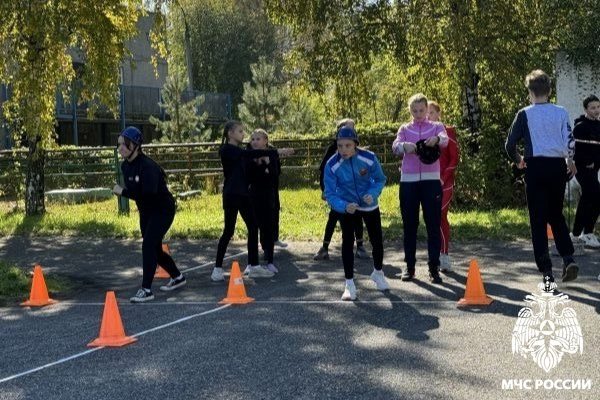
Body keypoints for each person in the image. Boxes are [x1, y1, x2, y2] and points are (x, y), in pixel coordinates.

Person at [505, 69, 579, 284]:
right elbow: (570, 140)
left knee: (538, 219)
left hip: (535, 166)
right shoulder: (561, 111)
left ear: (530, 92)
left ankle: (546, 270)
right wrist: (570, 161)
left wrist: (519, 158)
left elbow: (510, 144)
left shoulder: (525, 113)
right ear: (549, 90)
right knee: (556, 215)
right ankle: (568, 257)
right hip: (557, 166)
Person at [211, 121, 292, 282]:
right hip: (232, 195)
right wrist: (275, 152)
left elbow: (252, 165)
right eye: (240, 131)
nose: (243, 134)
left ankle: (254, 266)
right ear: (230, 134)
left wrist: (266, 163)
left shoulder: (239, 151)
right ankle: (217, 268)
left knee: (253, 226)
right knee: (229, 231)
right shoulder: (227, 150)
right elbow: (247, 155)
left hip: (242, 194)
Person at [112, 126, 186, 303]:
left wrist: (122, 192)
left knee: (148, 246)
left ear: (136, 146)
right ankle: (177, 277)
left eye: (124, 144)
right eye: (119, 144)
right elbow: (139, 194)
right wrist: (127, 192)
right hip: (146, 211)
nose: (120, 148)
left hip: (162, 209)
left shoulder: (148, 167)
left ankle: (146, 289)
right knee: (155, 249)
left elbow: (148, 194)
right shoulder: (125, 166)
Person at [324, 126, 388, 301]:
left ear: (355, 144)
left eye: (347, 145)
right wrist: (344, 206)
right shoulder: (331, 165)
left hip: (369, 205)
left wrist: (373, 194)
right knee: (347, 242)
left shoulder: (369, 158)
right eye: (339, 145)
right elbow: (330, 193)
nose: (343, 150)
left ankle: (378, 272)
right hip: (348, 206)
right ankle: (349, 284)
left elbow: (380, 179)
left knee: (376, 240)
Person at [392, 93, 448, 284]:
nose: (418, 114)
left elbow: (445, 138)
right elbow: (395, 146)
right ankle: (409, 267)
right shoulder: (405, 128)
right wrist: (403, 147)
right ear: (410, 111)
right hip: (408, 182)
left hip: (431, 181)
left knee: (433, 225)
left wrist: (437, 140)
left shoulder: (436, 127)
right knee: (410, 225)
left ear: (427, 109)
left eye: (421, 110)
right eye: (414, 111)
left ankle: (434, 268)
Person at [314, 118, 369, 261]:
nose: (351, 130)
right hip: (338, 193)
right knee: (333, 218)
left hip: (354, 191)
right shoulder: (333, 149)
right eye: (347, 127)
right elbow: (324, 171)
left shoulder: (357, 150)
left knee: (357, 217)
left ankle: (360, 247)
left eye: (353, 128)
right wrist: (325, 190)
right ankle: (324, 248)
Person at [427, 101, 460, 272]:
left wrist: (443, 178)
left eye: (431, 112)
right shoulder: (421, 132)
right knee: (431, 219)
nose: (428, 116)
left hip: (444, 183)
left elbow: (454, 159)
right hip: (427, 182)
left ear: (438, 114)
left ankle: (444, 255)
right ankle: (435, 255)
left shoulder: (448, 131)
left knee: (440, 215)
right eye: (426, 113)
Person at [247, 129, 281, 273]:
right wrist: (259, 165)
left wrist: (267, 164)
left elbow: (275, 174)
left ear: (266, 140)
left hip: (268, 194)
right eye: (253, 139)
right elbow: (250, 175)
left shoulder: (272, 154)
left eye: (258, 139)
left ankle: (269, 260)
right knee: (254, 227)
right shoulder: (248, 155)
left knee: (268, 227)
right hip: (253, 194)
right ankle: (252, 262)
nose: (255, 142)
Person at [570, 95, 600, 249]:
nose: (596, 110)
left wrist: (596, 162)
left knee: (590, 198)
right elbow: (575, 151)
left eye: (598, 107)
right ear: (586, 109)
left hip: (594, 170)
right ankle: (581, 233)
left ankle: (582, 234)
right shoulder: (580, 127)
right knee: (593, 195)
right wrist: (588, 161)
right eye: (593, 108)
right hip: (582, 169)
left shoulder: (599, 126)